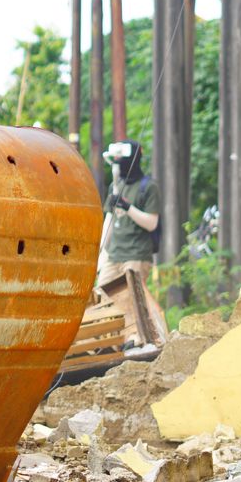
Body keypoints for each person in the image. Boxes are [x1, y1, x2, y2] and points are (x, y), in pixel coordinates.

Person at [98, 139, 168, 344]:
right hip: (115, 253)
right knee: (103, 294)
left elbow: (151, 223)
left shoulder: (149, 187)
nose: (117, 164)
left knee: (134, 299)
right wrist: (101, 251)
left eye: (120, 159)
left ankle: (139, 338)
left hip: (137, 254)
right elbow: (109, 220)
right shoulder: (115, 185)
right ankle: (112, 339)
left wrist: (129, 208)